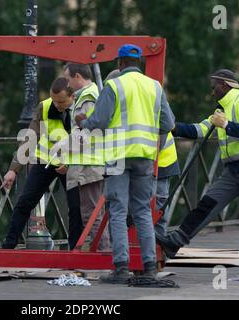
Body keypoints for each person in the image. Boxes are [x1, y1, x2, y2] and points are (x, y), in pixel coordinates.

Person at [156, 69, 239, 280]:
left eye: (214, 87)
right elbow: (200, 130)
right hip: (234, 171)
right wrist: (173, 128)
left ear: (225, 85)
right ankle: (174, 242)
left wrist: (226, 125)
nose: (212, 92)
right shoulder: (222, 109)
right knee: (207, 205)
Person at [75, 44, 175, 283]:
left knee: (118, 211)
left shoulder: (114, 85)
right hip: (145, 156)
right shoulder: (155, 87)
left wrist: (82, 121)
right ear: (138, 62)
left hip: (119, 156)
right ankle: (149, 266)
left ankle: (121, 268)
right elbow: (168, 124)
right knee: (142, 211)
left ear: (119, 63)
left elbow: (98, 121)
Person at [0, 77, 83, 250]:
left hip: (71, 164)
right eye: (55, 101)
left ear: (72, 96)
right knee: (25, 202)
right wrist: (13, 170)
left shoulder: (82, 107)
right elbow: (29, 139)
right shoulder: (45, 107)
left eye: (61, 101)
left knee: (76, 207)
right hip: (45, 161)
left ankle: (75, 249)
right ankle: (9, 245)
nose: (57, 105)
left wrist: (68, 163)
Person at [106, 69, 180, 238]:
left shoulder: (143, 97)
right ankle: (148, 251)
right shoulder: (144, 95)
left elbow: (166, 125)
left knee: (155, 210)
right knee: (145, 209)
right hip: (144, 160)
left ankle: (156, 248)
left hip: (159, 162)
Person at [55, 63, 110, 250]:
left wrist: (63, 147)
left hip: (90, 165)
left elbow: (88, 134)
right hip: (88, 164)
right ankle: (104, 254)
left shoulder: (88, 98)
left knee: (92, 215)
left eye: (68, 79)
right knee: (94, 213)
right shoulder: (88, 96)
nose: (67, 84)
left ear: (77, 76)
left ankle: (104, 256)